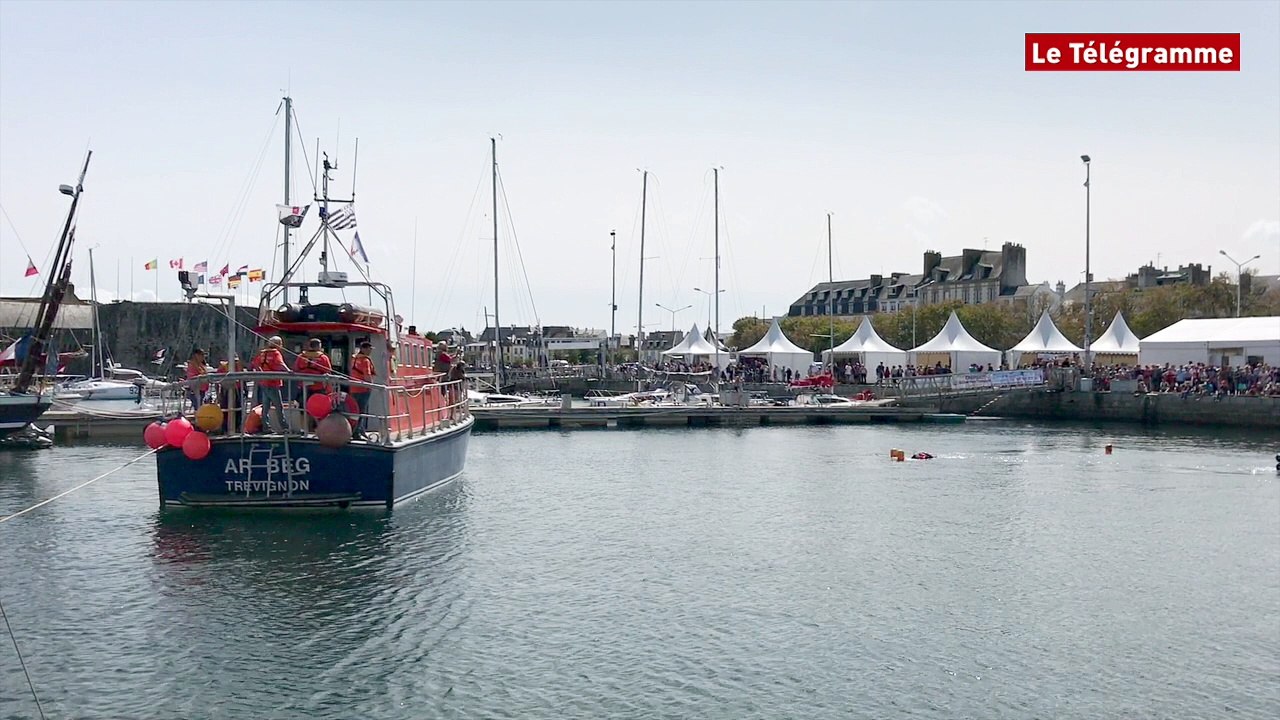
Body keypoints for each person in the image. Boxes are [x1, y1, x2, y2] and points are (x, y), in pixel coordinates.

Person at [250, 336, 290, 433]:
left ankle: (265, 427)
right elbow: (280, 364)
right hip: (273, 383)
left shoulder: (263, 353)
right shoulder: (276, 353)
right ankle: (285, 427)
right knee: (278, 406)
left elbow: (255, 364)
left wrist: (261, 372)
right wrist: (289, 371)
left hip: (264, 382)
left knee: (266, 406)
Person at [294, 338, 332, 430]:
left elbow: (295, 369)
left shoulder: (301, 356)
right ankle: (319, 429)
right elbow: (328, 372)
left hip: (304, 388)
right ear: (318, 346)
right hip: (318, 388)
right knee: (320, 409)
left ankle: (304, 429)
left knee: (303, 409)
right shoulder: (323, 358)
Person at [349, 340, 376, 436]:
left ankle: (357, 429)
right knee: (361, 410)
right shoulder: (365, 360)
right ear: (364, 349)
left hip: (353, 388)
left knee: (355, 409)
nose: (370, 351)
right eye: (369, 349)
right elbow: (367, 375)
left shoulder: (354, 359)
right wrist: (371, 385)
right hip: (363, 389)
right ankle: (358, 431)